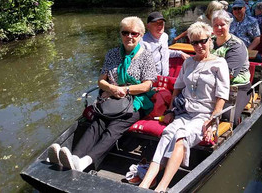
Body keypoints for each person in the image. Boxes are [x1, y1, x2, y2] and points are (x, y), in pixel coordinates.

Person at [47, 16, 157, 172]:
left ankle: (86, 161)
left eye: (134, 33)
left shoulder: (146, 56)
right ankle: (73, 158)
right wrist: (112, 89)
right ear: (120, 34)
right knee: (97, 124)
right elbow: (101, 81)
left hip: (136, 101)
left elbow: (147, 85)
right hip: (112, 98)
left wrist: (125, 90)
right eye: (125, 33)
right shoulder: (112, 54)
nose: (129, 37)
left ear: (140, 35)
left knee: (115, 127)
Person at [139, 22, 230, 192]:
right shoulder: (188, 63)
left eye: (202, 41)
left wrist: (213, 120)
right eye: (194, 42)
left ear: (210, 40)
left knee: (181, 137)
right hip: (184, 112)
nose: (199, 46)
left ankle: (161, 188)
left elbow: (222, 96)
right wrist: (170, 110)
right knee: (167, 134)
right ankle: (144, 185)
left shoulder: (219, 63)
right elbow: (177, 89)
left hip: (205, 116)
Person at [211, 9, 251, 126]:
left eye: (222, 25)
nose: (219, 28)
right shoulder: (210, 41)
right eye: (215, 25)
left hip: (237, 87)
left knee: (227, 116)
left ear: (228, 25)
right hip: (213, 84)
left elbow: (228, 76)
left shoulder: (236, 46)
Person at [141, 12, 189, 76]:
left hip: (166, 77)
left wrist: (180, 53)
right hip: (151, 80)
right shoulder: (143, 42)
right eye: (155, 23)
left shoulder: (164, 36)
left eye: (161, 23)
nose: (159, 26)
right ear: (148, 27)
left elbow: (165, 52)